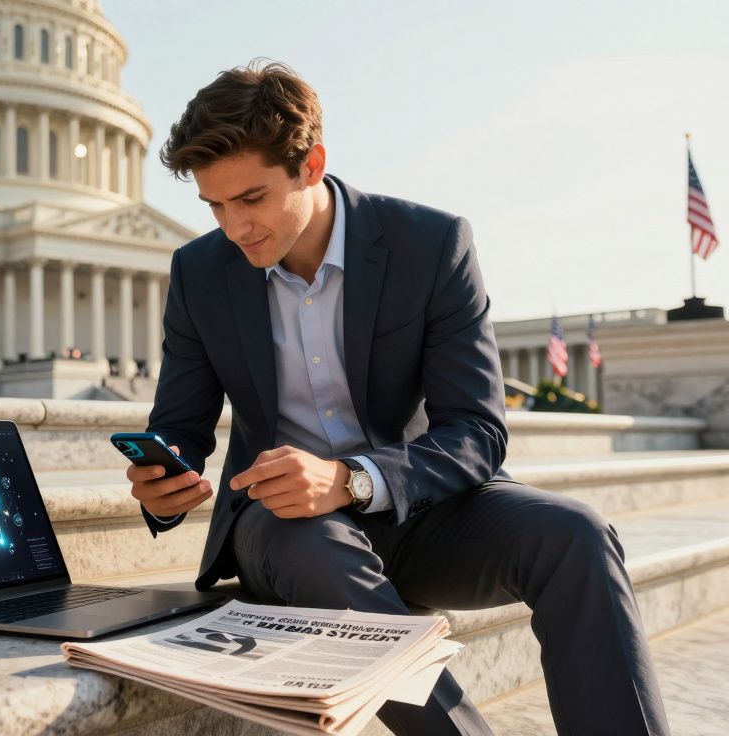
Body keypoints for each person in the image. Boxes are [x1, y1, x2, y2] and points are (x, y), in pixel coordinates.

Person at [126, 60, 669, 736]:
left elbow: (475, 429)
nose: (234, 228)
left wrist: (354, 481)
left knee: (577, 534)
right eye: (214, 205)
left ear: (311, 164)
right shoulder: (200, 271)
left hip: (414, 507)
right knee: (315, 543)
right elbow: (180, 425)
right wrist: (162, 477)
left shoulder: (431, 245)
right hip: (284, 528)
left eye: (252, 199)